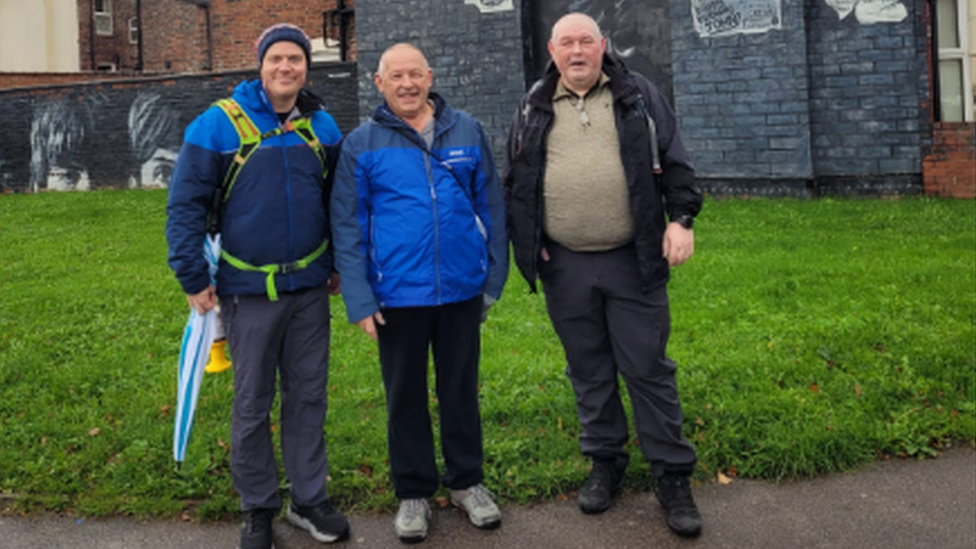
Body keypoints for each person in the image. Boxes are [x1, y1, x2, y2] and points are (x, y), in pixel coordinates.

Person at [503, 13, 704, 538]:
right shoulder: (533, 104)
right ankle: (605, 462)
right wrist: (532, 245)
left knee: (647, 367)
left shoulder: (639, 96)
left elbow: (677, 164)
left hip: (632, 257)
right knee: (588, 368)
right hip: (564, 263)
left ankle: (672, 475)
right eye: (566, 42)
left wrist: (681, 221)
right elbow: (517, 179)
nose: (576, 52)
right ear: (552, 49)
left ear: (602, 46)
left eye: (585, 42)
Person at [166, 23, 349, 549]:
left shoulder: (323, 125)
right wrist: (192, 276)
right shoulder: (218, 125)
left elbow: (339, 202)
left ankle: (309, 499)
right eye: (276, 59)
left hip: (311, 289)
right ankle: (258, 507)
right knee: (251, 402)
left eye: (295, 59)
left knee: (308, 397)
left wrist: (337, 263)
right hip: (248, 294)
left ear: (306, 67)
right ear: (261, 64)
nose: (285, 68)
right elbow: (185, 205)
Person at [331, 43, 509, 544]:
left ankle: (467, 482)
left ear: (430, 76)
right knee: (403, 395)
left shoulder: (467, 131)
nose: (407, 84)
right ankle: (413, 491)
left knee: (459, 390)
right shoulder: (361, 143)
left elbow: (491, 205)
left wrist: (492, 280)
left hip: (460, 290)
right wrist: (361, 299)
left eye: (415, 74)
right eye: (396, 76)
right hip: (397, 296)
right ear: (378, 82)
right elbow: (347, 225)